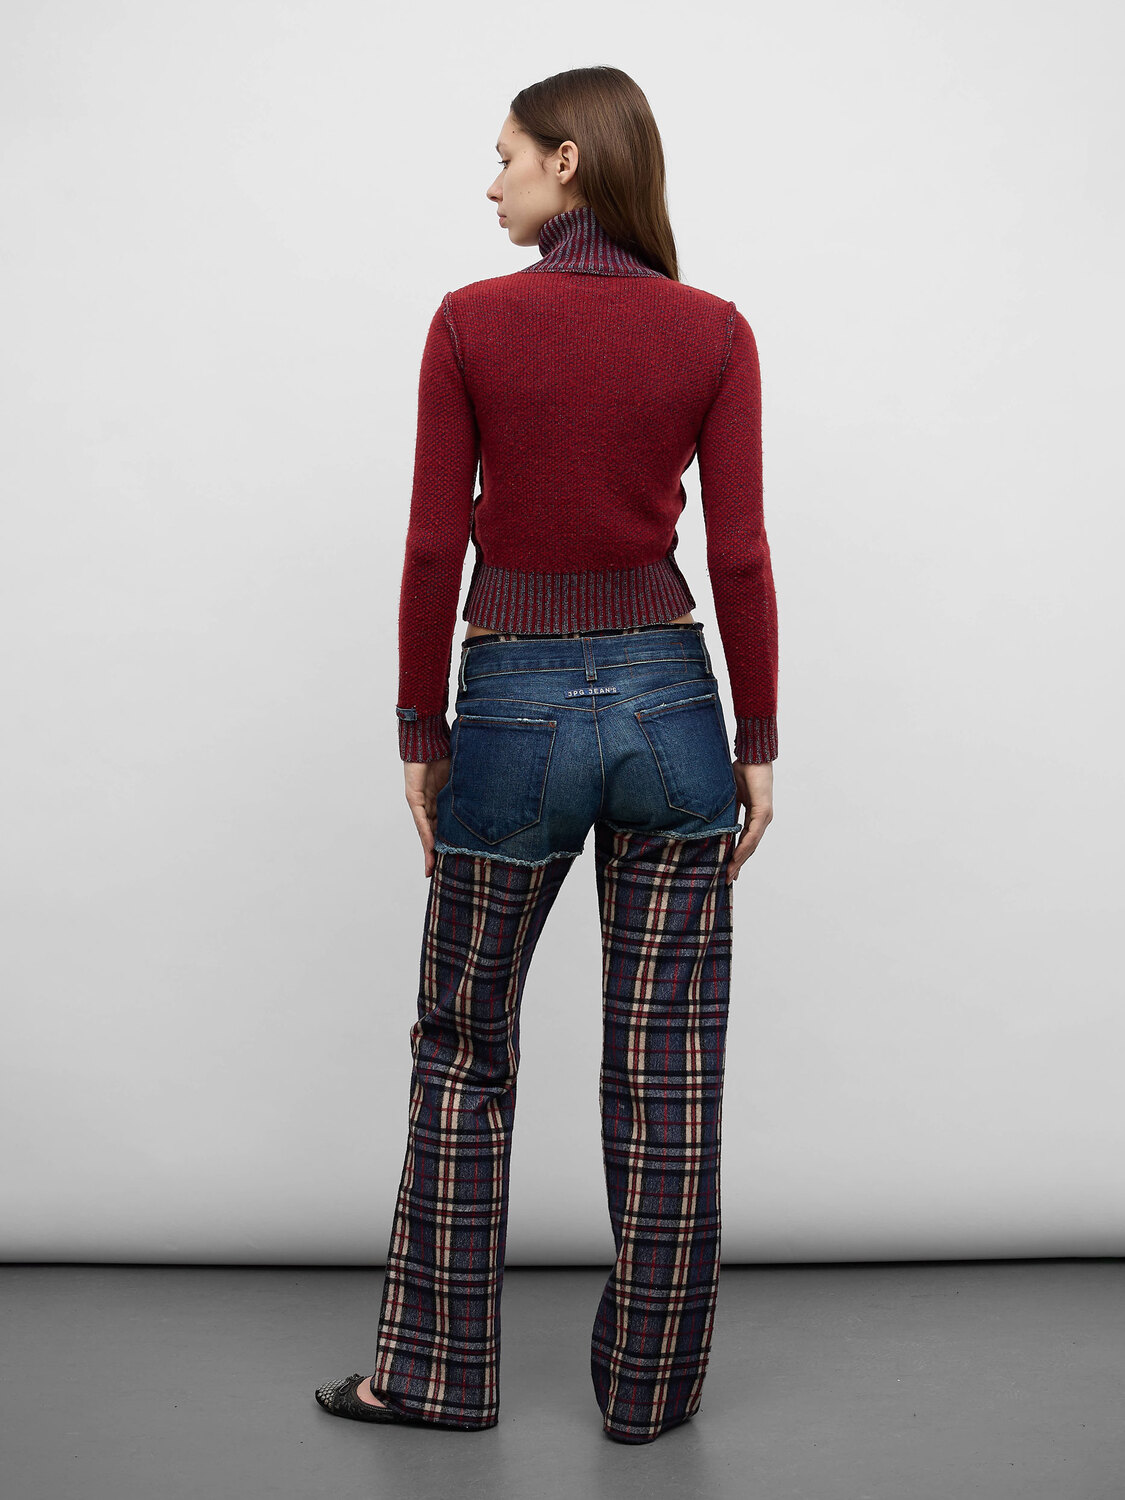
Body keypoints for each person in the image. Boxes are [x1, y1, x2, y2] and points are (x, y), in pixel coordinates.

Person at [315, 64, 778, 1445]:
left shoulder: (471, 321)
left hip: (511, 709)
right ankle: (649, 1394)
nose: (492, 181)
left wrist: (420, 726)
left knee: (465, 1046)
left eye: (507, 155)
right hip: (672, 711)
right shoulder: (713, 330)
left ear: (569, 161)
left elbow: (430, 544)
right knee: (668, 1063)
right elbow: (741, 555)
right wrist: (755, 736)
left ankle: (436, 1376)